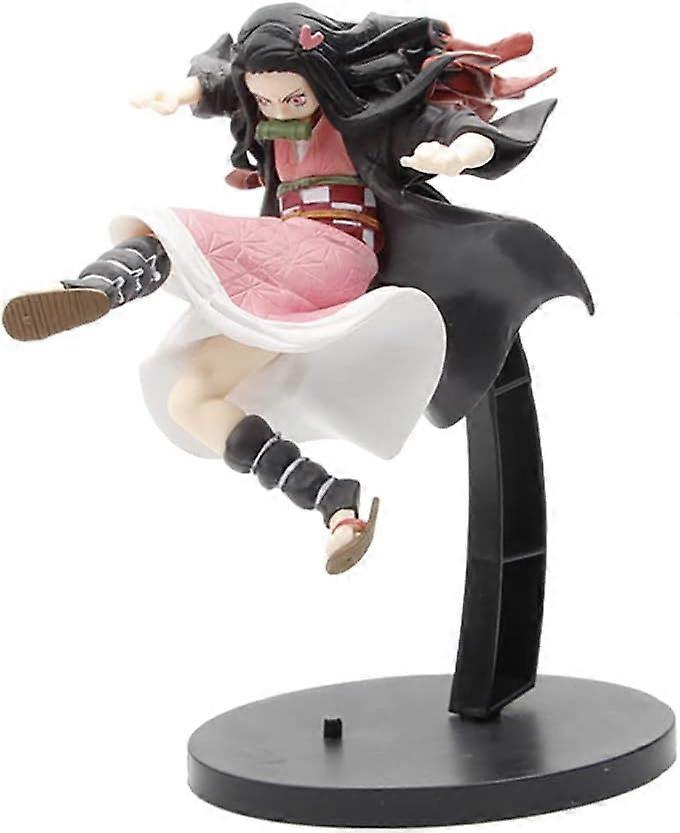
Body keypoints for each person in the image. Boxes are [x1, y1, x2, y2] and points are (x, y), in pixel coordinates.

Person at [2, 4, 593, 573]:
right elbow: (224, 84)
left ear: (321, 77)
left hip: (332, 255)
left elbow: (448, 124)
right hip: (283, 268)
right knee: (191, 399)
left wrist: (462, 151)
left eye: (291, 97)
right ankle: (335, 503)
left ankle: (96, 289)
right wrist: (185, 93)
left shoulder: (363, 121)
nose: (278, 109)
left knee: (167, 229)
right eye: (264, 100)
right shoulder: (268, 118)